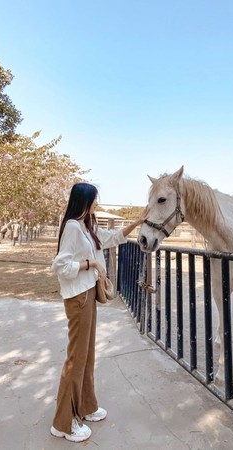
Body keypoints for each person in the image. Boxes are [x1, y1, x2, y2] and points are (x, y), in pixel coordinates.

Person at [50, 182, 148, 443]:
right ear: (84, 200)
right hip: (78, 296)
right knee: (76, 359)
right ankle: (62, 423)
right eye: (94, 199)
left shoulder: (86, 226)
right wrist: (90, 263)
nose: (97, 202)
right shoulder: (72, 226)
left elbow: (113, 237)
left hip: (88, 293)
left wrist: (138, 221)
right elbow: (60, 264)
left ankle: (86, 406)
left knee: (87, 356)